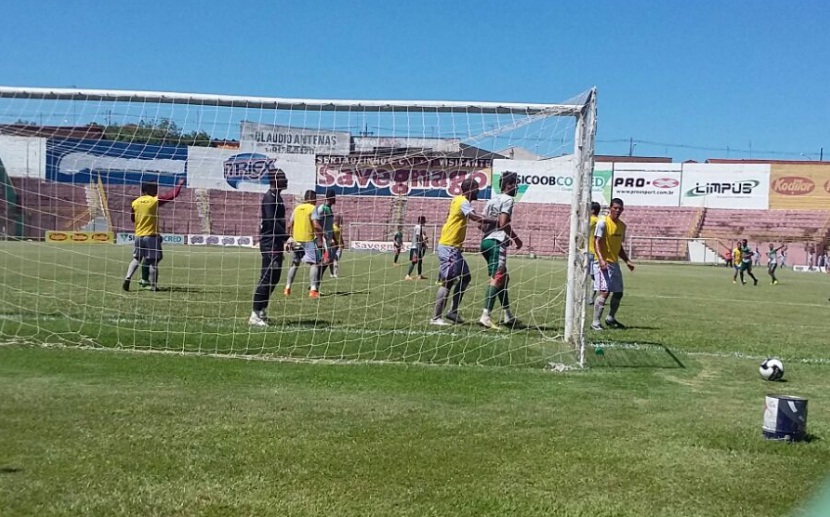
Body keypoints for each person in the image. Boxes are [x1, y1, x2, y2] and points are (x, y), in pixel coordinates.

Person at [430, 177, 495, 326]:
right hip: (449, 246)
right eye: (477, 189)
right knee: (448, 281)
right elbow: (474, 217)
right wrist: (496, 221)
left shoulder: (457, 200)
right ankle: (436, 318)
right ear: (471, 189)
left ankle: (452, 311)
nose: (478, 191)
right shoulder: (463, 202)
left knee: (466, 277)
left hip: (453, 247)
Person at [122, 179, 184, 292]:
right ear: (148, 189)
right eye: (155, 188)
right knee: (153, 262)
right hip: (151, 236)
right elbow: (172, 195)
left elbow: (132, 219)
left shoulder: (135, 202)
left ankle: (128, 277)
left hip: (138, 236)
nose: (156, 190)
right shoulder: (154, 200)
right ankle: (154, 286)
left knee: (136, 259)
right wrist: (179, 185)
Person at [478, 171, 522, 329]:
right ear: (508, 185)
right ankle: (485, 316)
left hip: (486, 242)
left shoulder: (492, 200)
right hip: (496, 243)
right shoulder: (508, 199)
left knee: (504, 278)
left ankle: (507, 315)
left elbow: (481, 225)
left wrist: (494, 229)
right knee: (497, 278)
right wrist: (516, 239)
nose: (517, 187)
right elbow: (503, 223)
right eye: (515, 184)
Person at [249, 170, 288, 326]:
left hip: (276, 243)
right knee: (267, 277)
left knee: (275, 277)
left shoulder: (277, 197)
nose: (287, 180)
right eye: (283, 178)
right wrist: (287, 237)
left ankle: (262, 310)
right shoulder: (269, 197)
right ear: (275, 180)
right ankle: (255, 314)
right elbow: (271, 222)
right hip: (269, 243)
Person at [591, 197, 635, 331]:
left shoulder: (622, 226)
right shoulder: (603, 223)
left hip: (614, 263)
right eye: (615, 208)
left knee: (618, 292)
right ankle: (595, 323)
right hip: (601, 263)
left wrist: (627, 261)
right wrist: (601, 259)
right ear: (610, 208)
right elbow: (596, 242)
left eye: (620, 209)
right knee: (604, 292)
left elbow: (619, 247)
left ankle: (610, 318)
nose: (617, 210)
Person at [284, 190, 323, 299]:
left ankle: (287, 288)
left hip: (296, 240)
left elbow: (289, 225)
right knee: (314, 263)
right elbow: (316, 225)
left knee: (295, 263)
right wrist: (322, 234)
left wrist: (289, 239)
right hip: (308, 240)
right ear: (313, 199)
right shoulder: (312, 208)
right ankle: (313, 290)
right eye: (315, 199)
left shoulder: (296, 209)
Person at [314, 189, 337, 290]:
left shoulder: (329, 209)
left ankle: (316, 283)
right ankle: (315, 285)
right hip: (322, 239)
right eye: (334, 197)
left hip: (328, 240)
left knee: (329, 260)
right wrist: (321, 238)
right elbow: (316, 224)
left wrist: (334, 238)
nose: (335, 199)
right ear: (330, 198)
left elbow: (330, 226)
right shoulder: (321, 209)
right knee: (325, 260)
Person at [405, 216, 428, 280]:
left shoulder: (420, 227)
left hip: (418, 247)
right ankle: (407, 275)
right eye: (424, 220)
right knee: (414, 261)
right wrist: (423, 242)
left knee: (420, 261)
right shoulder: (418, 227)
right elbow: (418, 237)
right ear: (421, 221)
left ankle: (419, 275)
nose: (425, 221)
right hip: (415, 247)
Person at [588, 201, 602, 305]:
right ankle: (590, 298)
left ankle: (587, 298)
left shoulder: (592, 220)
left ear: (592, 210)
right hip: (594, 252)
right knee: (593, 277)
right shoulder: (600, 221)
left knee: (591, 276)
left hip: (590, 252)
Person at [328, 214, 345, 278]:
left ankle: (333, 273)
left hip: (339, 245)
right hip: (333, 245)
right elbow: (329, 235)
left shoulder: (340, 227)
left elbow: (340, 236)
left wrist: (343, 243)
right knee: (334, 259)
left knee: (336, 259)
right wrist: (331, 240)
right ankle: (333, 273)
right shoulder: (332, 227)